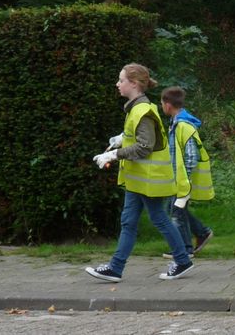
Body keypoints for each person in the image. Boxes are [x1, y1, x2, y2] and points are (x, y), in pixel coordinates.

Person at [86, 63, 194, 282]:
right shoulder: (137, 108)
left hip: (149, 179)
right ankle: (116, 268)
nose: (118, 84)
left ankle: (182, 260)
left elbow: (145, 146)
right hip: (140, 180)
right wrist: (121, 139)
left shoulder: (142, 110)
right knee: (129, 220)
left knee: (158, 218)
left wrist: (114, 155)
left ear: (133, 84)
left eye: (121, 80)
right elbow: (138, 137)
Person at [160, 86, 214, 260]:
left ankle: (185, 249)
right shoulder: (175, 124)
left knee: (176, 212)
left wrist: (185, 179)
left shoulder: (183, 125)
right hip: (176, 178)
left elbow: (191, 156)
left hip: (181, 180)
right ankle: (202, 232)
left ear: (168, 105)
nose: (162, 106)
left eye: (162, 103)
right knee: (175, 209)